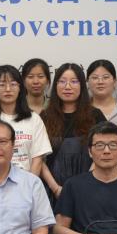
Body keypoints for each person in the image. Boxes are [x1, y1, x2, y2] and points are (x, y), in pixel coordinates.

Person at [40, 63, 105, 199]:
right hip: (53, 191)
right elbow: (38, 157)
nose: (68, 87)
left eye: (74, 81)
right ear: (55, 85)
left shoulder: (95, 115)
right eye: (62, 81)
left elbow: (103, 151)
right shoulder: (45, 117)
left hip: (90, 188)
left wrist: (85, 185)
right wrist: (56, 189)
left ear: (82, 86)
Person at [0, 64, 52, 175]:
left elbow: (37, 158)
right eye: (2, 85)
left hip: (27, 180)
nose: (8, 89)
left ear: (20, 88)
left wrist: (28, 183)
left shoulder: (33, 119)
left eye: (13, 84)